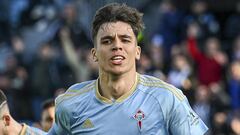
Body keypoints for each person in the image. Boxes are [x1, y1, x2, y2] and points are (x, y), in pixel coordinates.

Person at [48, 3, 208, 134]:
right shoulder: (70, 104)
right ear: (94, 54)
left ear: (137, 51)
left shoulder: (167, 98)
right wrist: (22, 131)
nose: (117, 46)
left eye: (125, 40)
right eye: (107, 41)